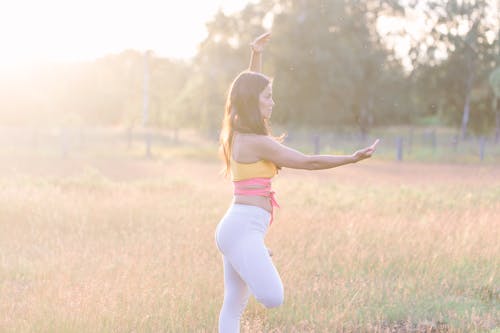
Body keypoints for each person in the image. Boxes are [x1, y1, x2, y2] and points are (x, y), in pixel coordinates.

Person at [214, 31, 379, 333]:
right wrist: (351, 158)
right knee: (273, 297)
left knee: (233, 307)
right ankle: (255, 254)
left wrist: (256, 54)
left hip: (237, 226)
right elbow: (308, 161)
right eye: (268, 98)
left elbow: (248, 89)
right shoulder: (254, 142)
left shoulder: (239, 131)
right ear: (254, 102)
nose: (273, 103)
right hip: (241, 228)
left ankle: (253, 253)